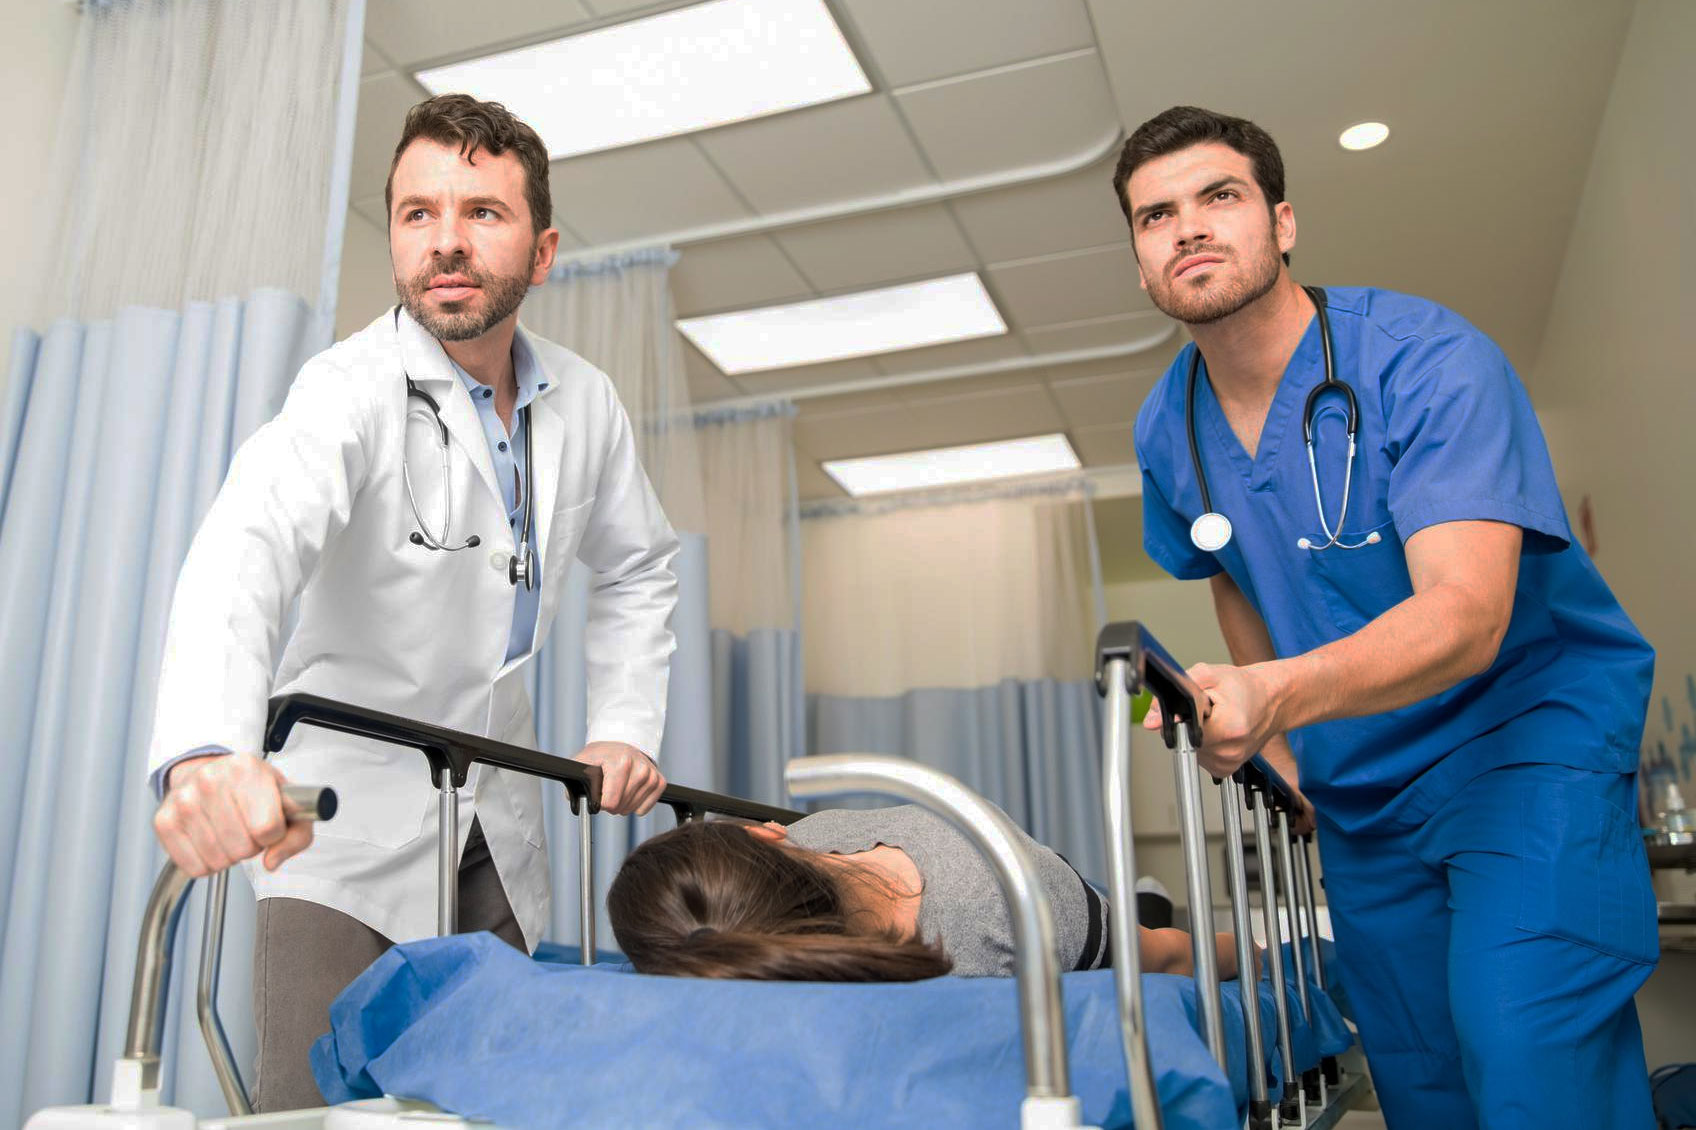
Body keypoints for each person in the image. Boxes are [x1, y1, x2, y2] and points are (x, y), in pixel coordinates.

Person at [1114, 105, 1657, 1127]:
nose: (1187, 228)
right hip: (1361, 786)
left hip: (1520, 745)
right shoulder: (1165, 427)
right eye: (1156, 216)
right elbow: (1230, 569)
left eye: (1218, 196)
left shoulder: (1426, 360)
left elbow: (1468, 613)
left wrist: (1275, 696)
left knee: (1523, 1046)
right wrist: (1282, 753)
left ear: (1282, 222)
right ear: (1141, 263)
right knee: (1419, 1074)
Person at [146, 94, 680, 1111]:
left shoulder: (587, 402)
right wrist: (206, 752)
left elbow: (640, 566)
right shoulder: (346, 390)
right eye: (417, 213)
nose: (445, 242)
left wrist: (622, 724)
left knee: (491, 1106)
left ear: (543, 249)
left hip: (496, 819)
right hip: (335, 829)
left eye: (482, 212)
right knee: (316, 1108)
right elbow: (245, 548)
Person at [606, 806, 1245, 982]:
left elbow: (1170, 955)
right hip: (992, 879)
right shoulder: (807, 837)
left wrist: (1265, 957)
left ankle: (1149, 897)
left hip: (1040, 887)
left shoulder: (1000, 909)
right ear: (767, 835)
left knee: (1150, 938)